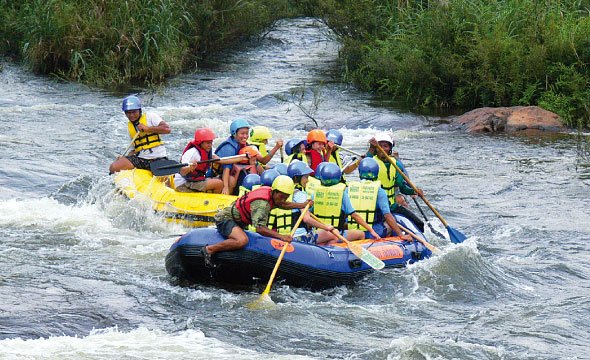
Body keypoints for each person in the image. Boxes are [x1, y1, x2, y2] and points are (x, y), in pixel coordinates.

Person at [202, 175, 311, 267]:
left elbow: (282, 204)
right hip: (226, 219)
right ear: (274, 191)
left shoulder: (272, 195)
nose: (283, 199)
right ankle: (209, 249)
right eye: (281, 196)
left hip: (238, 222)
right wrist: (281, 237)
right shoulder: (262, 204)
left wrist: (302, 205)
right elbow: (259, 229)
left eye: (286, 197)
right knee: (242, 241)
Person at [311, 163, 381, 245]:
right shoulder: (341, 194)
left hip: (319, 232)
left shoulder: (315, 193)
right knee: (360, 234)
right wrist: (371, 230)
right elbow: (354, 215)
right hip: (336, 232)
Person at [368, 133, 425, 232]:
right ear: (376, 149)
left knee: (419, 223)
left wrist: (414, 191)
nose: (382, 149)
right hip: (376, 207)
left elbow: (402, 187)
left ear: (390, 149)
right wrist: (371, 148)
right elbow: (365, 163)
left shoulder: (396, 164)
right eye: (380, 146)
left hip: (392, 206)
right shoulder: (371, 162)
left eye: (385, 146)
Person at [348, 158, 412, 240]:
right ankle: (389, 242)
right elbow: (388, 216)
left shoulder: (349, 188)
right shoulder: (379, 191)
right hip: (372, 232)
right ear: (376, 173)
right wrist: (401, 235)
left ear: (360, 172)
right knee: (389, 225)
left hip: (352, 230)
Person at [109, 95, 171, 174]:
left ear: (139, 110)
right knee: (114, 167)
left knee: (163, 177)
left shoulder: (151, 117)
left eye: (134, 112)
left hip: (158, 158)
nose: (131, 115)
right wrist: (124, 158)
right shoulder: (130, 127)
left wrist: (148, 129)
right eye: (128, 113)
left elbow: (167, 129)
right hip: (141, 159)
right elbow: (133, 150)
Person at [174, 128, 244, 193]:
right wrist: (189, 168)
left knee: (225, 181)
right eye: (208, 143)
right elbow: (182, 171)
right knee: (219, 184)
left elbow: (223, 161)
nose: (210, 145)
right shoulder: (192, 153)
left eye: (211, 142)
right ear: (200, 143)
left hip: (195, 180)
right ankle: (215, 203)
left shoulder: (208, 150)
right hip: (184, 183)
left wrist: (242, 157)